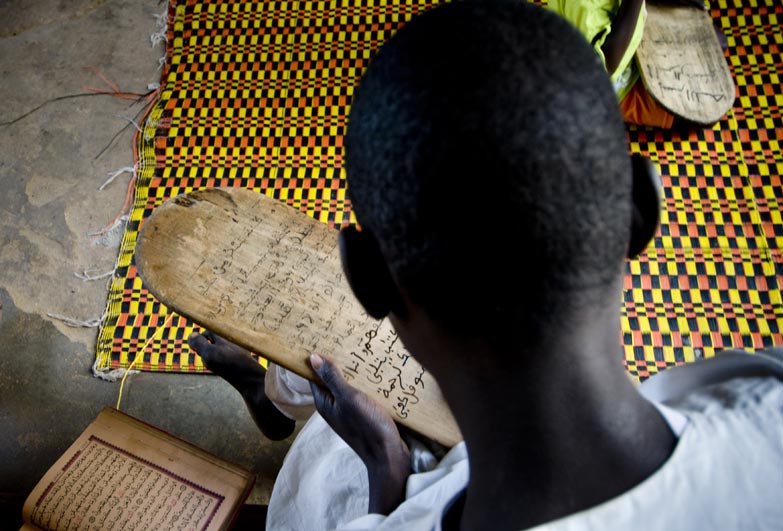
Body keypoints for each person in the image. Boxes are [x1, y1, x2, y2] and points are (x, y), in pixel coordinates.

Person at [188, 1, 783, 529]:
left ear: (368, 280)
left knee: (327, 423)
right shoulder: (768, 409)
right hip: (475, 453)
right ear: (641, 213)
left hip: (416, 467)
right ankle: (272, 393)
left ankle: (271, 396)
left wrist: (387, 473)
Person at [547, 0, 712, 129]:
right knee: (703, 112)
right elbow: (603, 66)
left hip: (629, 37)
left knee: (714, 47)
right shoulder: (586, 6)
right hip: (607, 86)